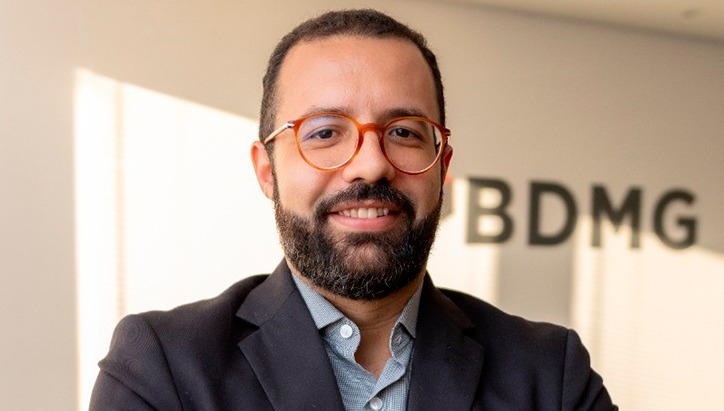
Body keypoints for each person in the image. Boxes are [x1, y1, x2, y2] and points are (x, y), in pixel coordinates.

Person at [90, 9, 617, 410]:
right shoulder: (162, 368)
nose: (370, 165)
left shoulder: (551, 375)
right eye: (324, 132)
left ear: (442, 167)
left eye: (404, 132)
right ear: (267, 170)